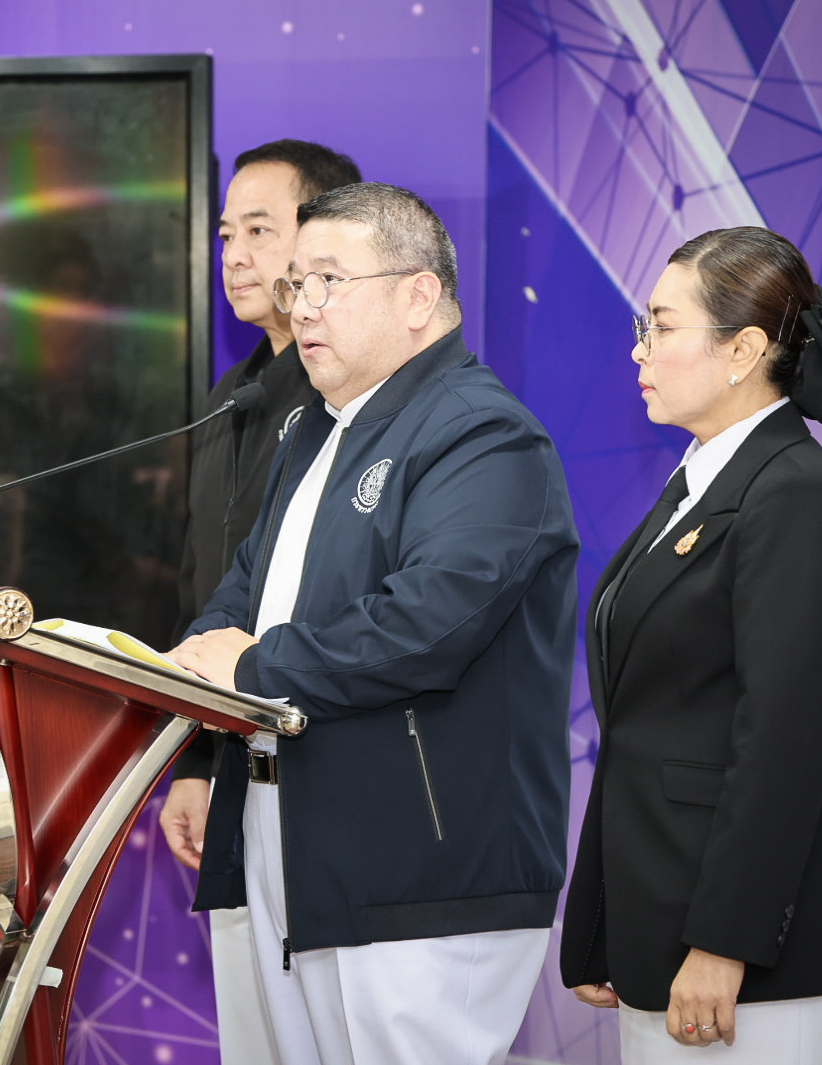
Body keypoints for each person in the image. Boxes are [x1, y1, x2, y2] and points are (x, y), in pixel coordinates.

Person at [167, 182, 578, 1064]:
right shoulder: (316, 430)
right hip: (295, 833)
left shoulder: (484, 435)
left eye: (328, 281)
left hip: (420, 862)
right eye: (296, 285)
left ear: (418, 296)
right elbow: (246, 590)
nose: (302, 306)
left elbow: (427, 624)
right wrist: (193, 659)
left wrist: (251, 670)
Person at [559, 226, 822, 1062]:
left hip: (749, 963)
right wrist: (600, 924)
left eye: (662, 327)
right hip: (658, 934)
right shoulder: (700, 484)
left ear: (742, 351)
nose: (639, 350)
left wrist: (724, 942)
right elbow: (644, 731)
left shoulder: (796, 496)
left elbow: (782, 742)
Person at [155, 138, 360, 1063]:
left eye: (259, 231)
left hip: (323, 770)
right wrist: (192, 763)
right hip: (229, 757)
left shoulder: (343, 404)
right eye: (226, 234)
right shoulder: (229, 396)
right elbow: (202, 590)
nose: (234, 255)